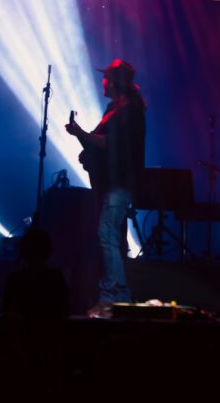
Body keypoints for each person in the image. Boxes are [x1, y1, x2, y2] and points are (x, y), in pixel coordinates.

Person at [65, 58, 146, 318]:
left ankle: (116, 293)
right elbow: (102, 143)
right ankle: (115, 293)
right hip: (110, 181)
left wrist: (80, 133)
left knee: (108, 233)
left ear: (114, 82)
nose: (102, 82)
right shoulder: (116, 107)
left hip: (119, 182)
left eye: (106, 77)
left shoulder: (129, 110)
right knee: (110, 235)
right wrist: (86, 147)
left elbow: (111, 143)